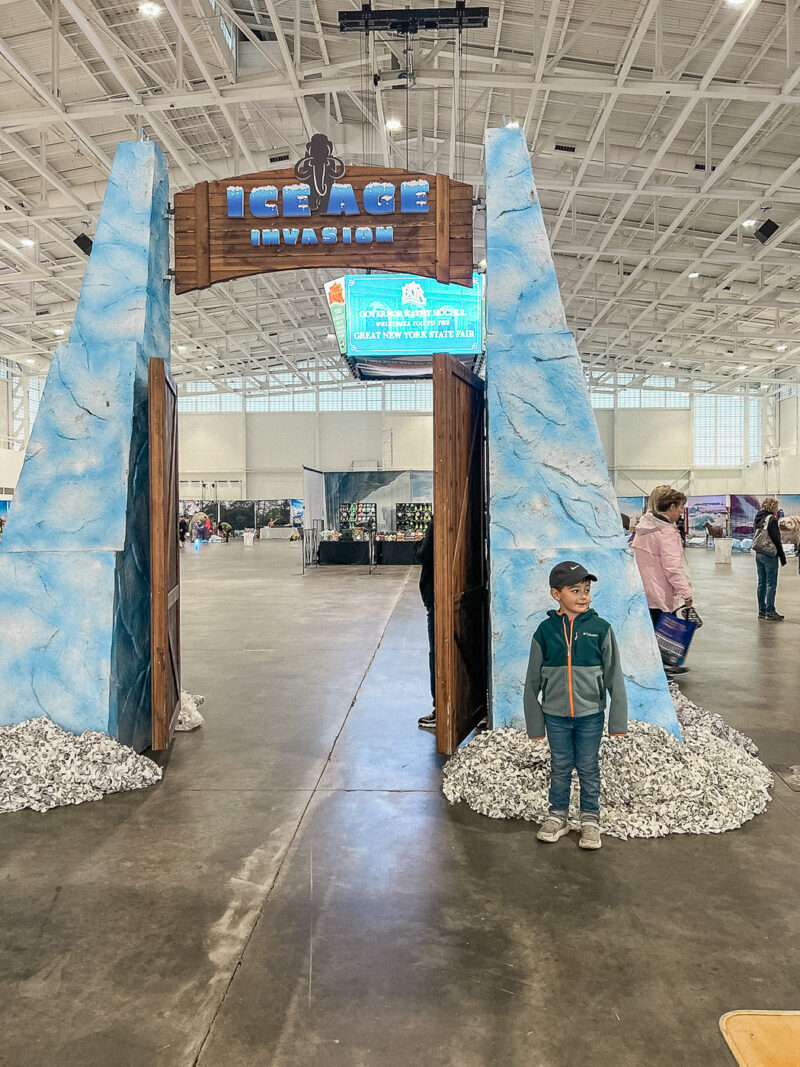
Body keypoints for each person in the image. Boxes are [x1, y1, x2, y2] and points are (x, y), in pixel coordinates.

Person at [524, 561, 628, 851]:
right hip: (555, 716)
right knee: (560, 766)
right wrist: (535, 725)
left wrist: (617, 722)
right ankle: (558, 815)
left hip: (590, 716)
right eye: (575, 590)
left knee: (588, 765)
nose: (583, 596)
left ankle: (590, 819)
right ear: (556, 594)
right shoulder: (544, 632)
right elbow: (532, 682)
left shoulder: (601, 629)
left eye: (586, 590)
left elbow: (614, 678)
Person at [415, 519, 435, 731]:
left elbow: (424, 554)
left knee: (436, 654)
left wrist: (417, 545)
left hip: (435, 597)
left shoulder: (435, 524)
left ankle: (440, 709)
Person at [753, 497, 786, 621]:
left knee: (761, 583)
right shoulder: (772, 519)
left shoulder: (758, 517)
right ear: (773, 507)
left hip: (759, 553)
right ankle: (770, 611)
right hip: (769, 554)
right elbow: (776, 540)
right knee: (770, 583)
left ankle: (761, 610)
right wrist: (782, 556)